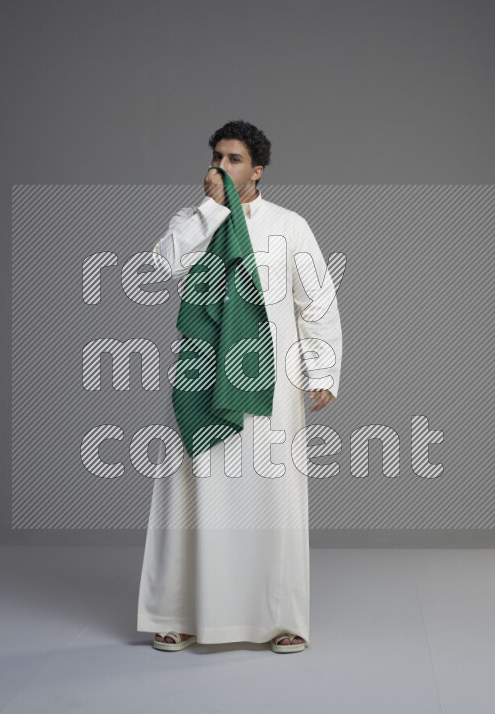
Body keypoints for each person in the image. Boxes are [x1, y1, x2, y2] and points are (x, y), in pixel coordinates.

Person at [136, 119, 343, 653]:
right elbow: (164, 263)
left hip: (268, 379)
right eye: (216, 157)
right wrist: (213, 210)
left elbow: (315, 301)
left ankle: (280, 619)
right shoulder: (193, 220)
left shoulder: (289, 225)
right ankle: (179, 615)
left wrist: (321, 371)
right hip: (200, 374)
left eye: (233, 159)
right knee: (191, 492)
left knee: (271, 496)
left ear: (258, 169)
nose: (220, 167)